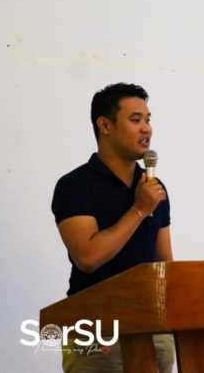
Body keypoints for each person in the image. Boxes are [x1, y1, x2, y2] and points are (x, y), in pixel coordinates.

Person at [51, 83, 175, 373]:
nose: (146, 129)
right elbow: (88, 258)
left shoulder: (154, 189)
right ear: (104, 125)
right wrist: (139, 209)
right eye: (135, 120)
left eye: (148, 120)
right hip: (96, 331)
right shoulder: (75, 185)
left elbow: (165, 265)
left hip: (151, 328)